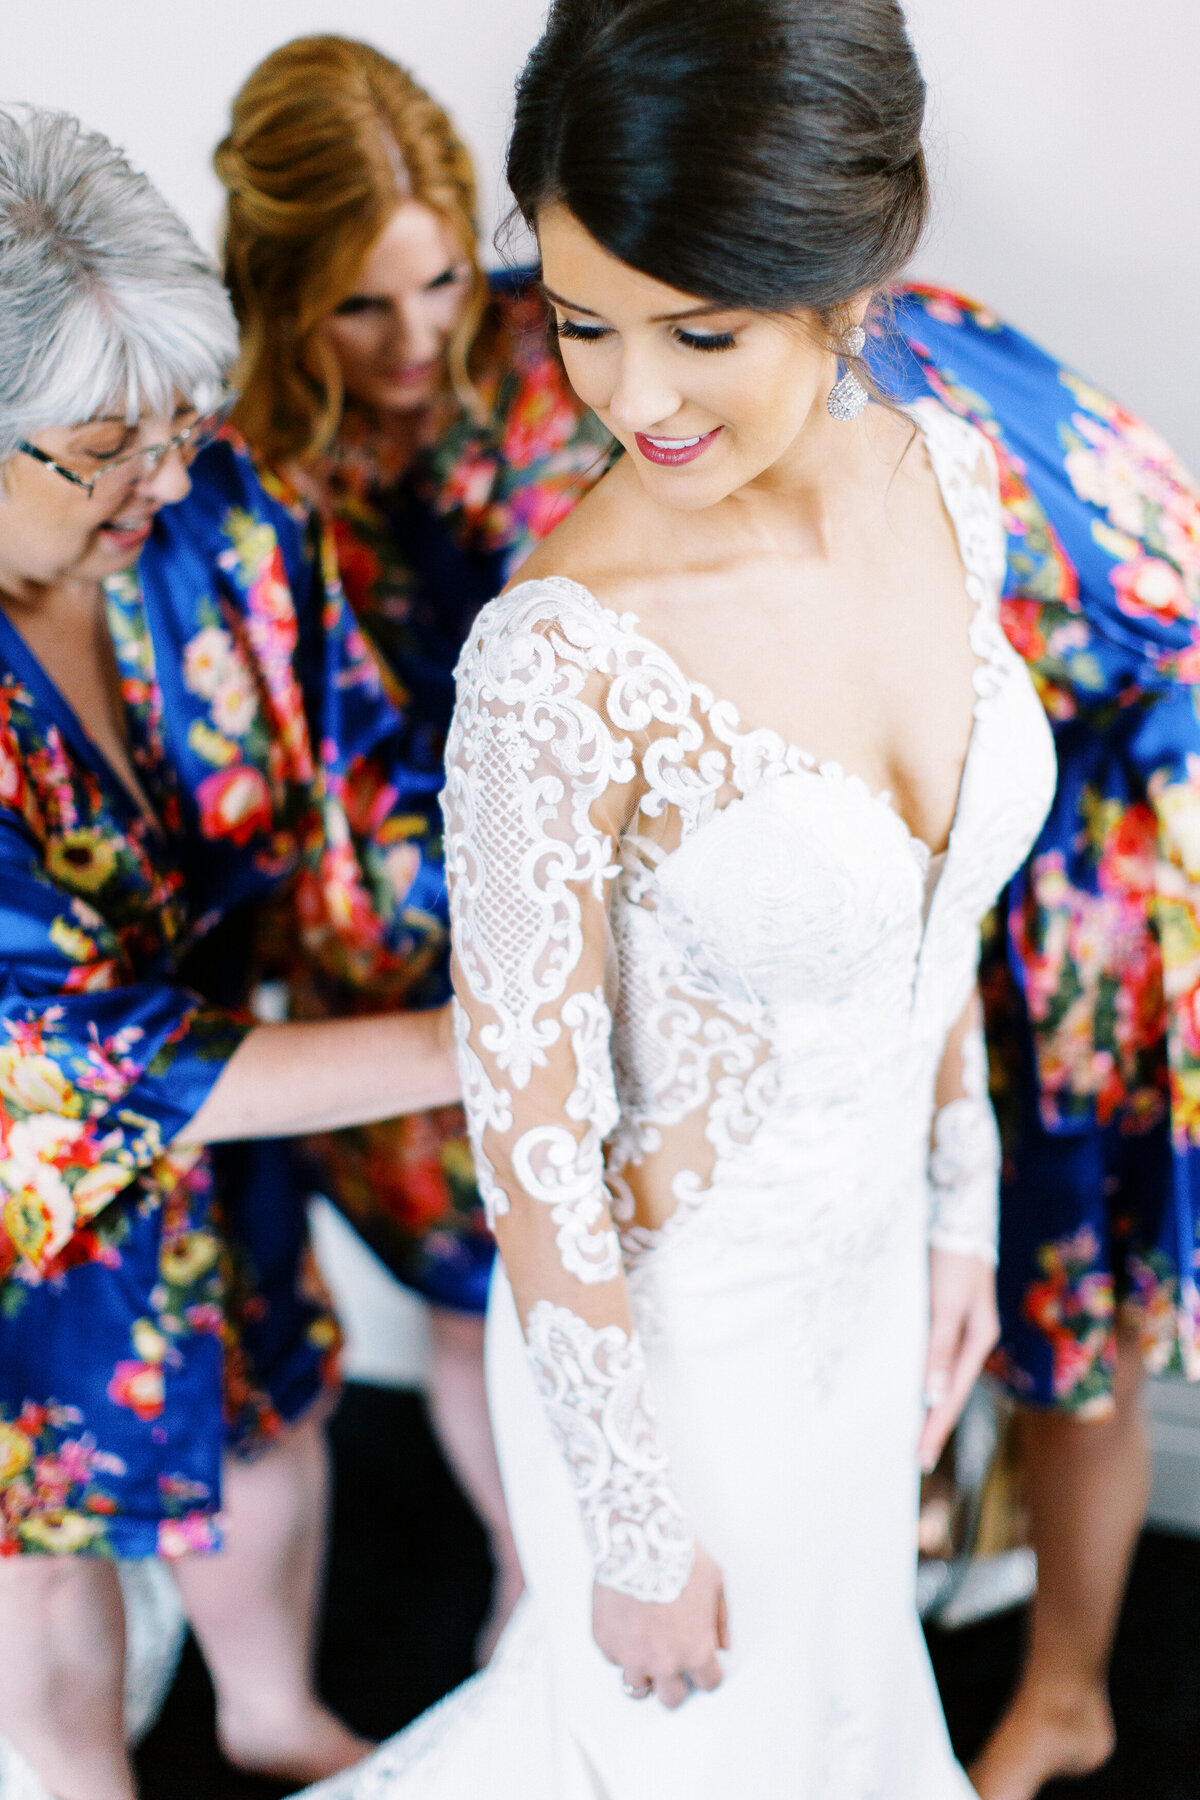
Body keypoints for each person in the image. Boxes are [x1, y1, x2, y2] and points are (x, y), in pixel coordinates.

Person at [303, 0, 1057, 1793]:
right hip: (669, 1371)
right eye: (580, 322)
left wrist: (963, 1202)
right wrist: (631, 1528)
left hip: (871, 1275)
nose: (631, 396)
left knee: (848, 1717)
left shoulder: (947, 480)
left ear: (852, 271)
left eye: (698, 329)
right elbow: (531, 1131)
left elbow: (937, 905)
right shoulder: (555, 668)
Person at [0, 106, 463, 1800]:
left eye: (182, 419)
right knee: (39, 1531)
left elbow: (365, 769)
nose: (174, 476)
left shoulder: (212, 519)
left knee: (273, 1394)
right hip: (27, 1180)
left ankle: (274, 1716)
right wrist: (473, 1045)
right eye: (111, 443)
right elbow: (69, 1054)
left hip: (241, 1103)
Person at [213, 32, 612, 1657]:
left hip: (589, 886)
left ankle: (612, 1577)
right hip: (375, 943)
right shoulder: (237, 460)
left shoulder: (565, 355)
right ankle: (529, 1585)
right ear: (282, 286)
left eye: (440, 282)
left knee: (603, 1278)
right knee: (473, 1299)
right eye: (360, 306)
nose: (413, 337)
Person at [869, 287, 1200, 1800]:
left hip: (1087, 884)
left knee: (1066, 1324)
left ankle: (1068, 1691)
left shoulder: (898, 400)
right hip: (975, 855)